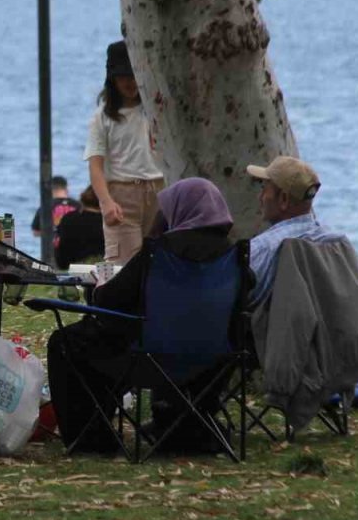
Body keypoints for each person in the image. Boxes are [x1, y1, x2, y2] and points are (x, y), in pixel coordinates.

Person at [47, 177, 250, 454]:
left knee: (66, 342)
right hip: (211, 360)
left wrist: (97, 289)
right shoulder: (232, 255)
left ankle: (92, 440)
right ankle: (188, 425)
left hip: (148, 356)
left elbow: (111, 300)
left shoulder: (161, 251)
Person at [85, 40, 165, 264]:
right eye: (123, 77)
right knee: (124, 264)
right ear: (113, 79)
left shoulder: (154, 109)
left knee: (159, 260)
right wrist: (106, 201)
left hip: (159, 190)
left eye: (133, 75)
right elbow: (95, 166)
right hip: (123, 194)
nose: (130, 82)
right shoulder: (103, 117)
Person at [245, 156, 345, 306]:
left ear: (283, 199)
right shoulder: (334, 242)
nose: (261, 197)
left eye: (264, 188)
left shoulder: (262, 248)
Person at [54, 186, 105, 269]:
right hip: (101, 269)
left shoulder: (68, 218)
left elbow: (60, 249)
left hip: (69, 267)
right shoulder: (108, 222)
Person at [31, 175, 83, 243]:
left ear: (50, 190)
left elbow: (35, 232)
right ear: (66, 189)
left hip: (54, 249)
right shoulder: (79, 205)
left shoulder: (45, 206)